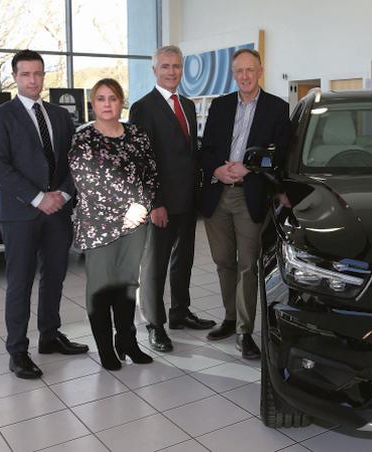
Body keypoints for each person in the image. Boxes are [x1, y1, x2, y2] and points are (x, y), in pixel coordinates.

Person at [0, 49, 88, 379]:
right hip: (20, 213)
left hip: (58, 211)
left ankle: (50, 335)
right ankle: (17, 350)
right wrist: (38, 197)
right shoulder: (0, 116)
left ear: (44, 76)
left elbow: (74, 161)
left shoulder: (59, 115)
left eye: (38, 74)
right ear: (15, 76)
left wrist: (65, 193)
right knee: (20, 282)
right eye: (26, 74)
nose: (32, 80)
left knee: (55, 276)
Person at [201, 48, 290, 359]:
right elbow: (207, 146)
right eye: (239, 70)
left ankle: (243, 331)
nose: (244, 76)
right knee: (224, 261)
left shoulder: (277, 108)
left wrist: (249, 167)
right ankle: (229, 317)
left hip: (250, 194)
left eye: (249, 70)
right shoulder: (220, 106)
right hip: (217, 193)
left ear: (260, 71)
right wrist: (216, 169)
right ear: (233, 73)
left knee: (247, 266)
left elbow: (280, 154)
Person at [130, 45, 215, 352]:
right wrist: (154, 203)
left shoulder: (188, 106)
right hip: (161, 203)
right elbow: (141, 161)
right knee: (155, 266)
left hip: (188, 200)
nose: (171, 71)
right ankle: (155, 323)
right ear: (154, 70)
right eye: (165, 66)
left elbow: (189, 153)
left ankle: (180, 311)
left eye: (176, 66)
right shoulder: (143, 107)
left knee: (184, 260)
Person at [69, 79, 156, 370]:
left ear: (121, 102)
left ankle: (128, 342)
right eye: (101, 98)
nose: (107, 104)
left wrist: (141, 206)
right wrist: (126, 210)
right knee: (101, 289)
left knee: (127, 286)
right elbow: (87, 184)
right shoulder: (83, 139)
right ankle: (106, 349)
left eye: (113, 98)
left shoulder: (137, 135)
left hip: (135, 224)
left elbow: (151, 174)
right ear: (92, 104)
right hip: (99, 225)